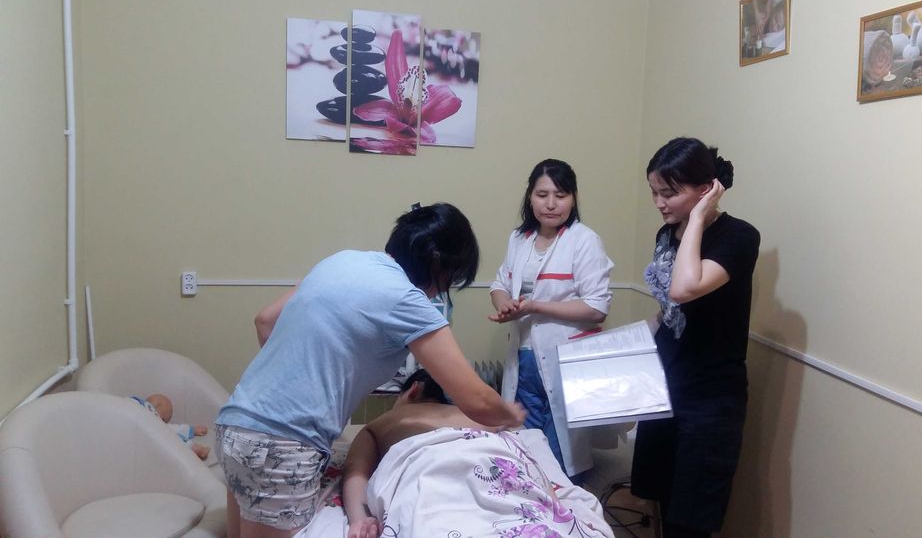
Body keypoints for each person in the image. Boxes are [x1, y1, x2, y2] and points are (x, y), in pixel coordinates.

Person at [215, 203, 526, 538]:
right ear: (439, 264)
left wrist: (300, 377)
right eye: (450, 280)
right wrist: (511, 414)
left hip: (235, 423)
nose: (441, 292)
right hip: (282, 444)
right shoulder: (406, 299)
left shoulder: (342, 261)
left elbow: (264, 321)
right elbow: (476, 399)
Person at [630, 138, 760, 538]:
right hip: (665, 384)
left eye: (669, 193)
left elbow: (685, 288)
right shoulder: (666, 234)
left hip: (710, 398)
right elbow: (671, 312)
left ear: (706, 190)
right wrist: (621, 344)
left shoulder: (738, 237)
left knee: (692, 517)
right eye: (654, 192)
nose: (659, 203)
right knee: (661, 497)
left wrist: (699, 219)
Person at [488, 159, 613, 480]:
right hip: (524, 356)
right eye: (542, 195)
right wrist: (505, 305)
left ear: (573, 198)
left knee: (560, 454)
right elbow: (500, 284)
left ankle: (565, 505)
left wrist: (535, 307)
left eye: (561, 195)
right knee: (525, 445)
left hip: (565, 357)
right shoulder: (519, 239)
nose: (551, 204)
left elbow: (596, 307)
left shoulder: (584, 240)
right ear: (530, 197)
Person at [342, 370, 498, 538]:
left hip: (426, 479)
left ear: (413, 390)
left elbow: (355, 472)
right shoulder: (485, 421)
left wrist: (361, 519)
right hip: (494, 472)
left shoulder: (381, 423)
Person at [131, 393, 211, 460]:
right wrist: (193, 430)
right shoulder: (139, 403)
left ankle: (195, 449)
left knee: (170, 435)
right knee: (173, 436)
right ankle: (195, 448)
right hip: (134, 427)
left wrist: (192, 430)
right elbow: (177, 429)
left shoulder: (160, 425)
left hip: (136, 432)